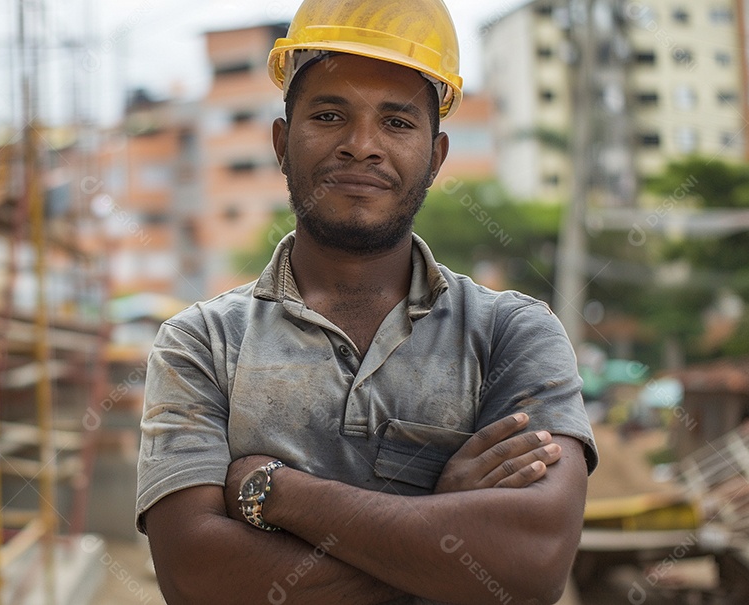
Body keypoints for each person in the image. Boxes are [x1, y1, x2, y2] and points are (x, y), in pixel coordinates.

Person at [136, 1, 598, 603]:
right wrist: (440, 525)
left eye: (397, 123)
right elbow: (196, 576)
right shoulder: (202, 344)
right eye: (329, 115)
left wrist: (272, 490)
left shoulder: (512, 334)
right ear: (281, 143)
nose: (362, 146)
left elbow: (531, 564)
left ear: (436, 157)